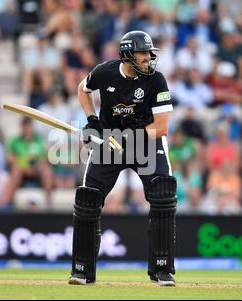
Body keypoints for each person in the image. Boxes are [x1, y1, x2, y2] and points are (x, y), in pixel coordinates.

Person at [68, 31, 177, 286]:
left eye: (150, 53)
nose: (148, 58)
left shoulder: (157, 80)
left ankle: (162, 269)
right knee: (89, 199)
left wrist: (130, 138)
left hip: (146, 143)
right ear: (127, 55)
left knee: (162, 195)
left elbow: (161, 127)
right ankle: (82, 270)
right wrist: (92, 121)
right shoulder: (104, 72)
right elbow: (82, 90)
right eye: (143, 53)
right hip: (109, 143)